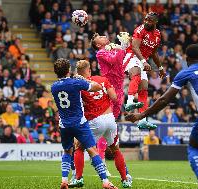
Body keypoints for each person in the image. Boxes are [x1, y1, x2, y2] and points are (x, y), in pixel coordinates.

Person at [126, 44, 198, 189]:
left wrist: (142, 115)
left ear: (186, 58)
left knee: (194, 147)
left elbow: (164, 99)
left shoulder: (186, 73)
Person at [50, 58, 117, 189]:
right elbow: (97, 87)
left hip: (64, 124)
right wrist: (82, 79)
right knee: (92, 151)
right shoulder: (76, 82)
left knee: (67, 151)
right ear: (69, 70)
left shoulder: (53, 87)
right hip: (79, 123)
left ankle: (64, 180)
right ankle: (105, 182)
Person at [69, 60, 132, 188]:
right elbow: (114, 97)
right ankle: (125, 180)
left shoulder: (78, 85)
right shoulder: (102, 79)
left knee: (79, 147)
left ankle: (78, 178)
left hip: (94, 121)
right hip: (110, 118)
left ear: (78, 72)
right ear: (89, 70)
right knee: (115, 150)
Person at [124, 12, 165, 129]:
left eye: (150, 20)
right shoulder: (140, 29)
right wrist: (143, 61)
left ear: (155, 22)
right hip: (132, 56)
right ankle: (130, 102)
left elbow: (154, 52)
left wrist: (160, 67)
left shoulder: (157, 34)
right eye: (146, 19)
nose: (147, 22)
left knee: (144, 87)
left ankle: (142, 120)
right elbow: (135, 47)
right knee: (136, 74)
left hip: (143, 61)